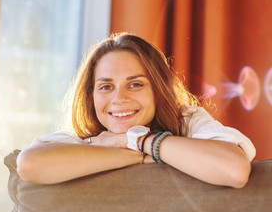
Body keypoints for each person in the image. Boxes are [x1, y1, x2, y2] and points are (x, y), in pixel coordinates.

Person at [17, 32, 255, 188]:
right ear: (91, 96)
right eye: (106, 86)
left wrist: (140, 140)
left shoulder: (188, 120)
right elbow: (29, 164)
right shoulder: (85, 139)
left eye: (135, 84)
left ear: (158, 89)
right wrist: (134, 153)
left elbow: (234, 170)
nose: (119, 98)